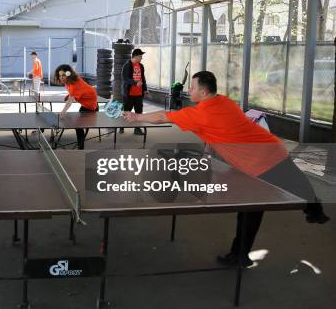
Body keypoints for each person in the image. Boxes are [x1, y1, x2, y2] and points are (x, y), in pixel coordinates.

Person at [123, 71, 329, 267]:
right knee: (296, 186)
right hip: (273, 149)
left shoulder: (200, 113)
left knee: (251, 210)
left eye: (192, 87)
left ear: (203, 93)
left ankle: (239, 256)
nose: (189, 90)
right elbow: (221, 130)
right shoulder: (224, 102)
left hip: (259, 162)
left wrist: (136, 118)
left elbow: (161, 117)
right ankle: (314, 211)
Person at [54, 64, 98, 150]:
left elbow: (70, 102)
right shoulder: (69, 80)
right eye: (59, 75)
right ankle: (80, 144)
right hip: (87, 103)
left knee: (78, 126)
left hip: (90, 107)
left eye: (63, 75)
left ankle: (80, 148)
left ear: (68, 74)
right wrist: (69, 94)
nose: (61, 77)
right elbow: (77, 89)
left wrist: (62, 112)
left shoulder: (74, 84)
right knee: (78, 125)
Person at [121, 48, 147, 135]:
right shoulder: (127, 66)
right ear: (135, 56)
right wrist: (135, 83)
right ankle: (121, 126)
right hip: (129, 94)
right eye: (140, 56)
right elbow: (125, 79)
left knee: (139, 112)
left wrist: (145, 89)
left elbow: (143, 78)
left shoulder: (141, 66)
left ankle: (137, 129)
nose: (141, 58)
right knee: (126, 111)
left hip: (139, 94)